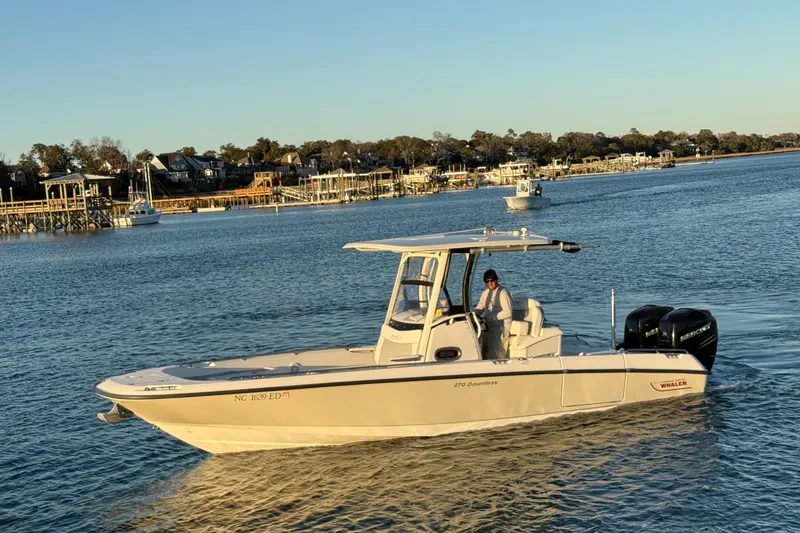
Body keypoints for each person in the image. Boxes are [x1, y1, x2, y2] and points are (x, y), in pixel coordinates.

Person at [474, 269, 513, 360]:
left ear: (496, 280)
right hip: (487, 327)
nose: (490, 283)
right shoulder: (485, 293)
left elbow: (508, 312)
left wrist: (491, 317)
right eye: (487, 281)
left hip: (500, 328)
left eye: (492, 280)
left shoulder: (503, 293)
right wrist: (472, 314)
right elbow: (480, 307)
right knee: (481, 349)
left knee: (494, 355)